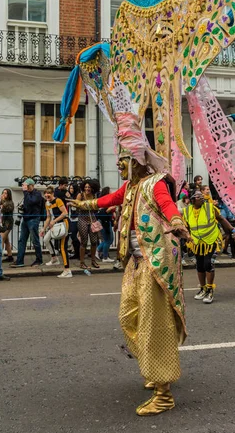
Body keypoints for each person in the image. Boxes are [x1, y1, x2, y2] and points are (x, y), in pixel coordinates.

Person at [69, 112, 190, 416]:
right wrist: (81, 205)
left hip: (155, 263)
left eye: (123, 160)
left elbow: (167, 205)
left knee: (153, 324)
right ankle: (152, 366)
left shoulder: (154, 184)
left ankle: (163, 393)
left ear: (136, 160)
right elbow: (108, 200)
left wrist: (176, 220)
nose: (119, 165)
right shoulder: (131, 188)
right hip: (136, 263)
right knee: (128, 317)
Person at [183, 190, 235, 304]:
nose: (202, 198)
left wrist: (233, 230)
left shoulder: (210, 208)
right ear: (192, 200)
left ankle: (210, 290)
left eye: (202, 196)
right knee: (200, 265)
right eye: (198, 197)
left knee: (208, 264)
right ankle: (203, 289)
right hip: (197, 243)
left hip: (211, 241)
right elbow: (186, 227)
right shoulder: (186, 211)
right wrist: (187, 238)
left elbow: (221, 219)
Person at [11, 178, 44, 268]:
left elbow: (31, 202)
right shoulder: (27, 194)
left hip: (33, 219)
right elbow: (28, 205)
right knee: (22, 240)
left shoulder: (37, 194)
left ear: (31, 186)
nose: (25, 188)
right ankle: (19, 261)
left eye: (27, 186)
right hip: (25, 219)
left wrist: (25, 192)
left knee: (35, 241)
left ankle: (39, 260)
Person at [40, 186, 71, 278]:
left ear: (52, 194)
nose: (46, 195)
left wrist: (54, 221)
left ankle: (67, 270)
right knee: (46, 239)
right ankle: (54, 258)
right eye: (45, 194)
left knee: (62, 247)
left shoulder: (58, 201)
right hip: (55, 225)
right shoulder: (47, 203)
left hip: (63, 224)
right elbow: (48, 217)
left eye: (48, 193)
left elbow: (65, 213)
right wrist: (43, 229)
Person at [76, 180, 100, 269]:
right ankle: (82, 263)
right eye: (86, 187)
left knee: (94, 241)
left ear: (92, 188)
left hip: (93, 219)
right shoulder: (80, 195)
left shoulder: (94, 196)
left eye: (89, 187)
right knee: (84, 241)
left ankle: (93, 261)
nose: (87, 188)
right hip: (82, 218)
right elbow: (76, 205)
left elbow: (97, 207)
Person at [96, 187, 114, 263]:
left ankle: (97, 251)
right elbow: (106, 210)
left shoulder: (103, 199)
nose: (112, 191)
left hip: (105, 221)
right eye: (110, 190)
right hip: (105, 221)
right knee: (108, 240)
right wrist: (114, 207)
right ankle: (105, 257)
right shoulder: (106, 200)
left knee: (108, 240)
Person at [66, 182, 80, 259]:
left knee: (74, 236)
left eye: (72, 188)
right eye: (70, 188)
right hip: (71, 217)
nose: (71, 190)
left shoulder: (78, 195)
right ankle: (76, 253)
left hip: (77, 218)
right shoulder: (69, 195)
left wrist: (70, 199)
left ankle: (78, 253)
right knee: (72, 236)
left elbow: (77, 203)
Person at [0, 189, 14, 263]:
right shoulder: (2, 202)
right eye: (3, 193)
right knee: (6, 241)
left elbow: (5, 209)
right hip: (3, 222)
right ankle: (10, 256)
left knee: (1, 239)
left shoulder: (10, 202)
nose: (4, 194)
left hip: (7, 223)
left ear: (8, 195)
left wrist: (2, 202)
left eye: (6, 193)